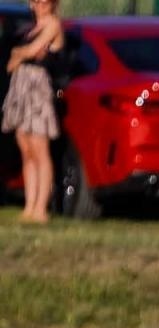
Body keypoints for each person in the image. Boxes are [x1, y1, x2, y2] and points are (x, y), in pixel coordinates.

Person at [3, 0, 63, 225]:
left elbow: (30, 51)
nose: (40, 5)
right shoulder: (30, 28)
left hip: (38, 89)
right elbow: (12, 62)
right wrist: (21, 54)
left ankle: (41, 208)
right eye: (37, 1)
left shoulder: (53, 25)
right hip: (21, 87)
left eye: (45, 1)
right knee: (26, 148)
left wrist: (22, 53)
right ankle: (29, 206)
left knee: (39, 149)